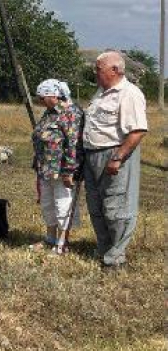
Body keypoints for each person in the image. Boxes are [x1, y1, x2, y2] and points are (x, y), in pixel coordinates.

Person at [82, 51, 148, 269]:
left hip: (114, 154)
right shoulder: (101, 93)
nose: (95, 73)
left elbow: (137, 131)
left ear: (115, 70)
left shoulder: (129, 93)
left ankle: (115, 258)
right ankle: (104, 249)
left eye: (98, 69)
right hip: (92, 154)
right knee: (97, 207)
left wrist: (118, 157)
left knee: (116, 208)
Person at [29, 79, 84, 254]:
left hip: (62, 170)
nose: (40, 101)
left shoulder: (70, 112)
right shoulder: (49, 113)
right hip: (45, 169)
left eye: (42, 97)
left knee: (63, 204)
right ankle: (50, 238)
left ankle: (63, 243)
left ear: (53, 95)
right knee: (48, 204)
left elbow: (73, 144)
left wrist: (69, 171)